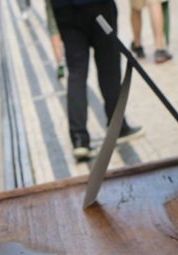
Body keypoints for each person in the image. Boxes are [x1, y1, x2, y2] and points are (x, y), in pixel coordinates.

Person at [52, 0, 144, 161]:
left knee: (76, 72)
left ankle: (79, 139)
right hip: (97, 6)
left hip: (64, 9)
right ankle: (118, 127)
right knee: (109, 66)